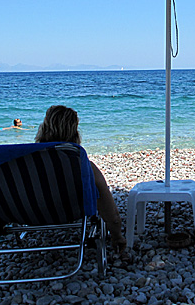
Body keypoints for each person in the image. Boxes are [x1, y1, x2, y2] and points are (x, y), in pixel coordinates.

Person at [35, 105, 127, 253]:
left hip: (31, 212)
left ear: (43, 129)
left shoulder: (23, 164)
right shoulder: (83, 166)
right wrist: (117, 236)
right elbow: (111, 213)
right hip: (70, 212)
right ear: (75, 133)